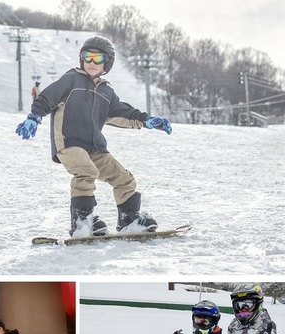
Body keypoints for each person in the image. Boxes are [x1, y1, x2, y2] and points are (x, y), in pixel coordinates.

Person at [15, 36, 172, 237]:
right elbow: (47, 97)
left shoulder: (106, 92)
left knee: (123, 177)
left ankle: (129, 219)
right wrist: (34, 117)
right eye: (87, 57)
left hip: (94, 147)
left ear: (107, 63)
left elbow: (123, 112)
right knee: (86, 171)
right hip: (68, 143)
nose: (91, 62)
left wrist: (146, 120)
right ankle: (82, 223)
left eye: (97, 58)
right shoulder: (71, 79)